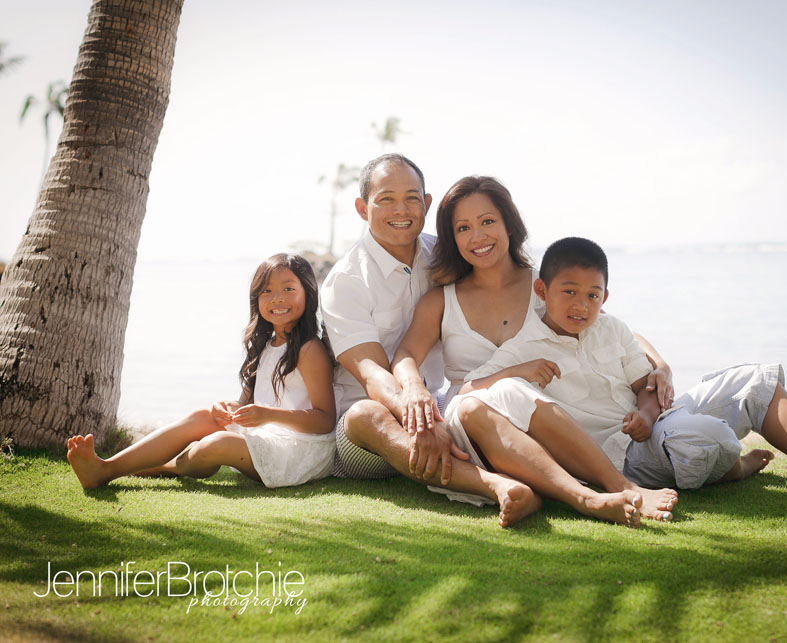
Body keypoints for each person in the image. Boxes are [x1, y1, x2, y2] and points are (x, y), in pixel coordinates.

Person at [458, 237, 787, 490]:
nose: (581, 304)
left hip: (656, 423)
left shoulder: (611, 328)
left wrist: (648, 412)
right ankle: (735, 466)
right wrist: (515, 372)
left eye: (592, 295)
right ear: (541, 290)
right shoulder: (524, 346)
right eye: (568, 291)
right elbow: (467, 391)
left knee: (750, 378)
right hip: (622, 452)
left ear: (605, 298)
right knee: (699, 434)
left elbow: (644, 383)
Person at [392, 176, 677, 523]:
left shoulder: (544, 284)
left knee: (517, 393)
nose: (478, 237)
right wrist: (414, 388)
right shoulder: (441, 300)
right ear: (453, 238)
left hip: (544, 419)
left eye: (488, 222)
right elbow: (406, 354)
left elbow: (608, 326)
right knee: (484, 400)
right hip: (476, 420)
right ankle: (588, 498)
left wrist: (660, 365)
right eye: (463, 228)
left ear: (509, 225)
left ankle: (604, 487)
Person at [320, 154, 546, 528]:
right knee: (365, 415)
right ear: (363, 208)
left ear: (426, 204)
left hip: (438, 405)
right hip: (368, 432)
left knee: (477, 400)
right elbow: (371, 374)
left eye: (411, 198)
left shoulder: (445, 253)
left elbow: (518, 287)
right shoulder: (345, 281)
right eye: (386, 199)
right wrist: (416, 415)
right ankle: (496, 487)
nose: (401, 210)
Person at [66, 253, 337, 489]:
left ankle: (157, 468)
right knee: (204, 416)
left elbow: (325, 420)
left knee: (216, 444)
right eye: (266, 291)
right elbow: (246, 404)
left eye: (288, 289)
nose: (277, 298)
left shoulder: (308, 349)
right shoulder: (266, 345)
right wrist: (229, 409)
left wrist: (266, 415)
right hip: (268, 436)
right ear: (256, 298)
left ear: (308, 292)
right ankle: (107, 467)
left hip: (301, 449)